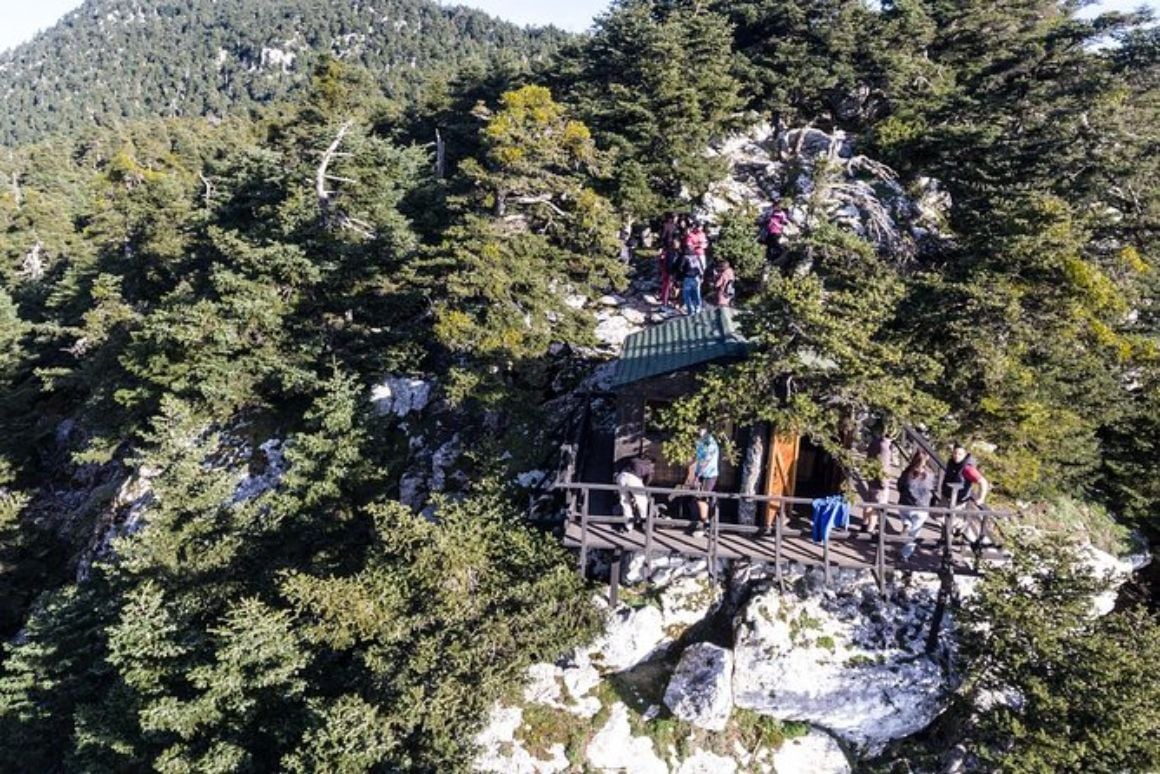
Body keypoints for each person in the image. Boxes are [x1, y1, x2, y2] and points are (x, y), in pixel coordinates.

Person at [942, 442, 993, 545]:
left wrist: (981, 498)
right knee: (938, 516)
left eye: (960, 454)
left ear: (965, 455)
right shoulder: (952, 463)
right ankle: (950, 534)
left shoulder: (967, 468)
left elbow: (983, 482)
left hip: (958, 499)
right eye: (955, 453)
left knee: (948, 521)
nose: (957, 456)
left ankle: (950, 540)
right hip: (947, 495)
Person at [898, 450, 935, 560]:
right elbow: (932, 489)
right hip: (922, 507)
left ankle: (906, 522)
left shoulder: (907, 472)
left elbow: (899, 486)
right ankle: (904, 555)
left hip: (905, 505)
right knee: (914, 534)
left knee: (903, 513)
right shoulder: (930, 475)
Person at [685, 429, 719, 536]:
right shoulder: (700, 441)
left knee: (701, 499)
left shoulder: (710, 443)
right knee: (697, 499)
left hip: (709, 475)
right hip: (700, 474)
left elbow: (705, 460)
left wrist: (697, 474)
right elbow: (698, 457)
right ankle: (701, 523)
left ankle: (705, 523)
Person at [861, 431, 892, 532]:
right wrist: (884, 483)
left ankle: (864, 524)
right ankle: (870, 529)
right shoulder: (885, 448)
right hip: (880, 482)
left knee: (869, 502)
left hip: (871, 478)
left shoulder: (874, 443)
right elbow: (883, 466)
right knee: (877, 508)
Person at [615, 455, 655, 532]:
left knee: (625, 502)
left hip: (622, 477)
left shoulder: (634, 460)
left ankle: (628, 526)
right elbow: (649, 480)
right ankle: (645, 525)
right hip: (633, 479)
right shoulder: (650, 467)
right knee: (642, 502)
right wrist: (644, 486)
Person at [680, 248, 705, 315]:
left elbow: (681, 268)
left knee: (687, 295)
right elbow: (701, 268)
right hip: (697, 278)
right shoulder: (697, 257)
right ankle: (698, 308)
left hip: (687, 278)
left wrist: (680, 278)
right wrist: (702, 277)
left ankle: (690, 310)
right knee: (697, 294)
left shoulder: (685, 258)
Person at [658, 236, 680, 309]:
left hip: (666, 271)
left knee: (666, 287)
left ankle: (664, 300)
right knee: (668, 288)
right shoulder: (673, 253)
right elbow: (670, 263)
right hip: (670, 273)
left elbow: (661, 260)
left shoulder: (668, 251)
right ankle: (665, 303)